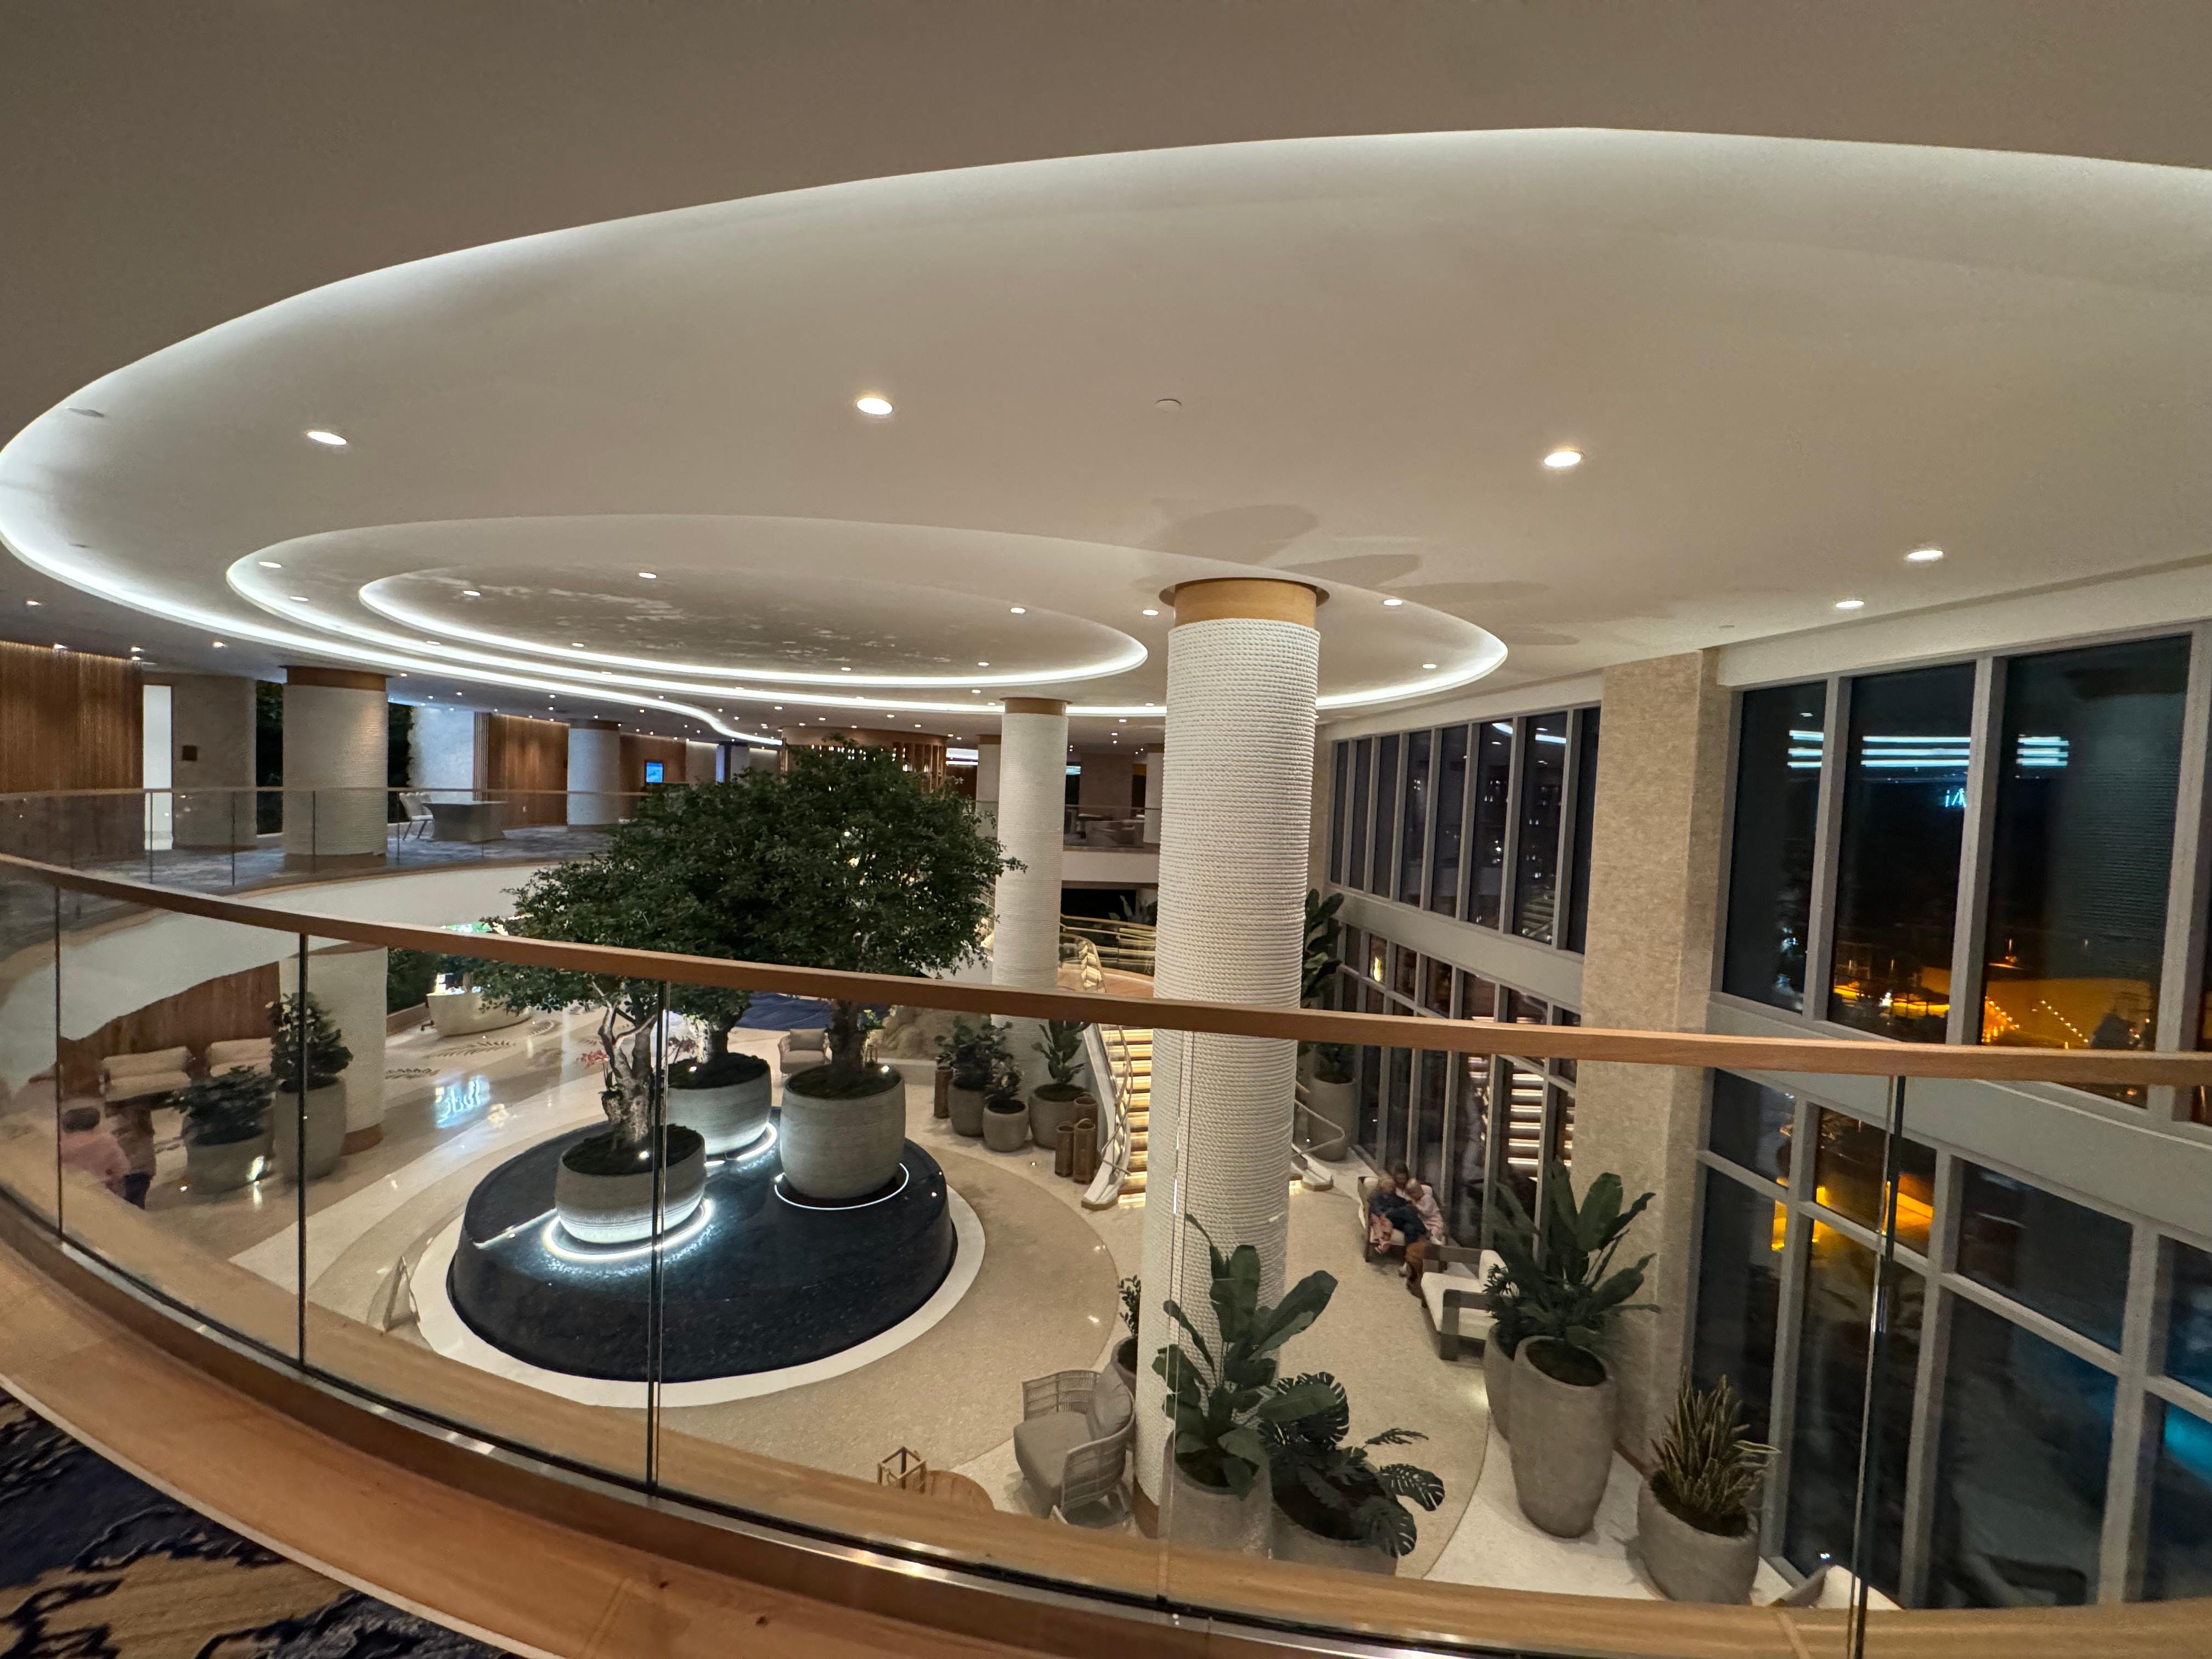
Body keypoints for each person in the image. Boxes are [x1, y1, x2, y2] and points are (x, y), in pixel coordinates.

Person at [1389, 1161, 1446, 1295]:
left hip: (1411, 1221)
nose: (1401, 1181)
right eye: (1399, 1178)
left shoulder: (1414, 1191)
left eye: (1403, 1178)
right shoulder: (1391, 1187)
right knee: (1408, 1211)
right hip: (1397, 1215)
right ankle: (1428, 1235)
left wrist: (1412, 1203)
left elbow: (1427, 1208)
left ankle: (1409, 1262)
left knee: (1411, 1228)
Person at [58, 1103, 128, 1198]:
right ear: (95, 1122)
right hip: (99, 1193)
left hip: (67, 1192)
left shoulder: (61, 1144)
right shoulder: (105, 1141)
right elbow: (122, 1169)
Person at [1366, 1167, 1427, 1256]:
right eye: (1390, 1186)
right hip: (1386, 1216)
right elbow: (1376, 1209)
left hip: (1395, 1219)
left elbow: (1399, 1202)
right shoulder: (1377, 1196)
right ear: (1383, 1186)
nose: (1392, 1188)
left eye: (1393, 1186)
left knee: (1410, 1228)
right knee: (1406, 1210)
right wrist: (1387, 1212)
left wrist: (1407, 1202)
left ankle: (1409, 1256)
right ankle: (1425, 1232)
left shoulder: (1392, 1194)